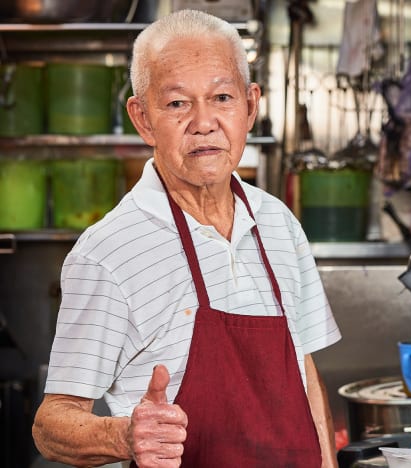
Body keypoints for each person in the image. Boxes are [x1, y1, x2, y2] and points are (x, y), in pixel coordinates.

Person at [32, 9, 341, 468]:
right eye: (177, 103)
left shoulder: (279, 223)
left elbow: (305, 374)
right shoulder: (109, 252)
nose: (204, 122)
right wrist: (125, 436)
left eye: (222, 97)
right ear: (142, 118)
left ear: (251, 106)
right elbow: (50, 424)